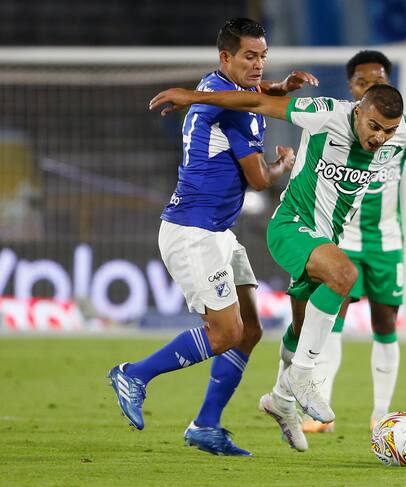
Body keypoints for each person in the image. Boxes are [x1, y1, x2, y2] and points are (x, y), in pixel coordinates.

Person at [149, 82, 406, 453]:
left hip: (324, 240)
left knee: (302, 329)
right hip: (290, 226)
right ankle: (303, 377)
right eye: (373, 126)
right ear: (357, 113)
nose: (379, 137)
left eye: (388, 130)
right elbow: (257, 100)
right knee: (345, 276)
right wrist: (194, 98)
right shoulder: (325, 113)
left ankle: (281, 400)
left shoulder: (404, 131)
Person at [107, 17, 318, 457]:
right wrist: (282, 165)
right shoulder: (234, 110)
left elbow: (244, 97)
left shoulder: (219, 87)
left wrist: (279, 87)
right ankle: (135, 374)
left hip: (217, 231)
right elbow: (258, 180)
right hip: (194, 232)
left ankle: (205, 425)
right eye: (249, 56)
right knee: (224, 333)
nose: (258, 64)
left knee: (250, 329)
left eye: (263, 56)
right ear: (226, 58)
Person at [301, 50, 406, 435]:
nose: (371, 87)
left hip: (386, 241)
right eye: (363, 82)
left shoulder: (401, 130)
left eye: (378, 80)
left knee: (385, 323)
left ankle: (381, 414)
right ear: (352, 87)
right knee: (332, 321)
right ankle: (318, 409)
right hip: (341, 237)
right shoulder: (340, 124)